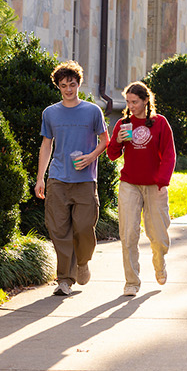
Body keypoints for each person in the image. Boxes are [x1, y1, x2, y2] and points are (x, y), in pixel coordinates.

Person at [36, 61, 109, 296]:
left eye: (72, 84)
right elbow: (46, 145)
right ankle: (64, 280)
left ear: (79, 84)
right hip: (58, 178)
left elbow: (105, 140)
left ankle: (83, 261)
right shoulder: (50, 113)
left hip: (86, 179)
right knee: (59, 229)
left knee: (84, 228)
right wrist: (40, 178)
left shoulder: (92, 111)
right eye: (64, 85)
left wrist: (91, 157)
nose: (68, 89)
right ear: (58, 86)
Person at [106, 81, 176, 296]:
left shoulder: (160, 123)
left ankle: (159, 261)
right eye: (128, 102)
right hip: (130, 184)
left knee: (158, 235)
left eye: (134, 102)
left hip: (155, 185)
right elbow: (112, 154)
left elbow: (169, 155)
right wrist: (117, 141)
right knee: (128, 234)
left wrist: (163, 182)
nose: (131, 106)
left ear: (146, 101)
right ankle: (132, 282)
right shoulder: (123, 124)